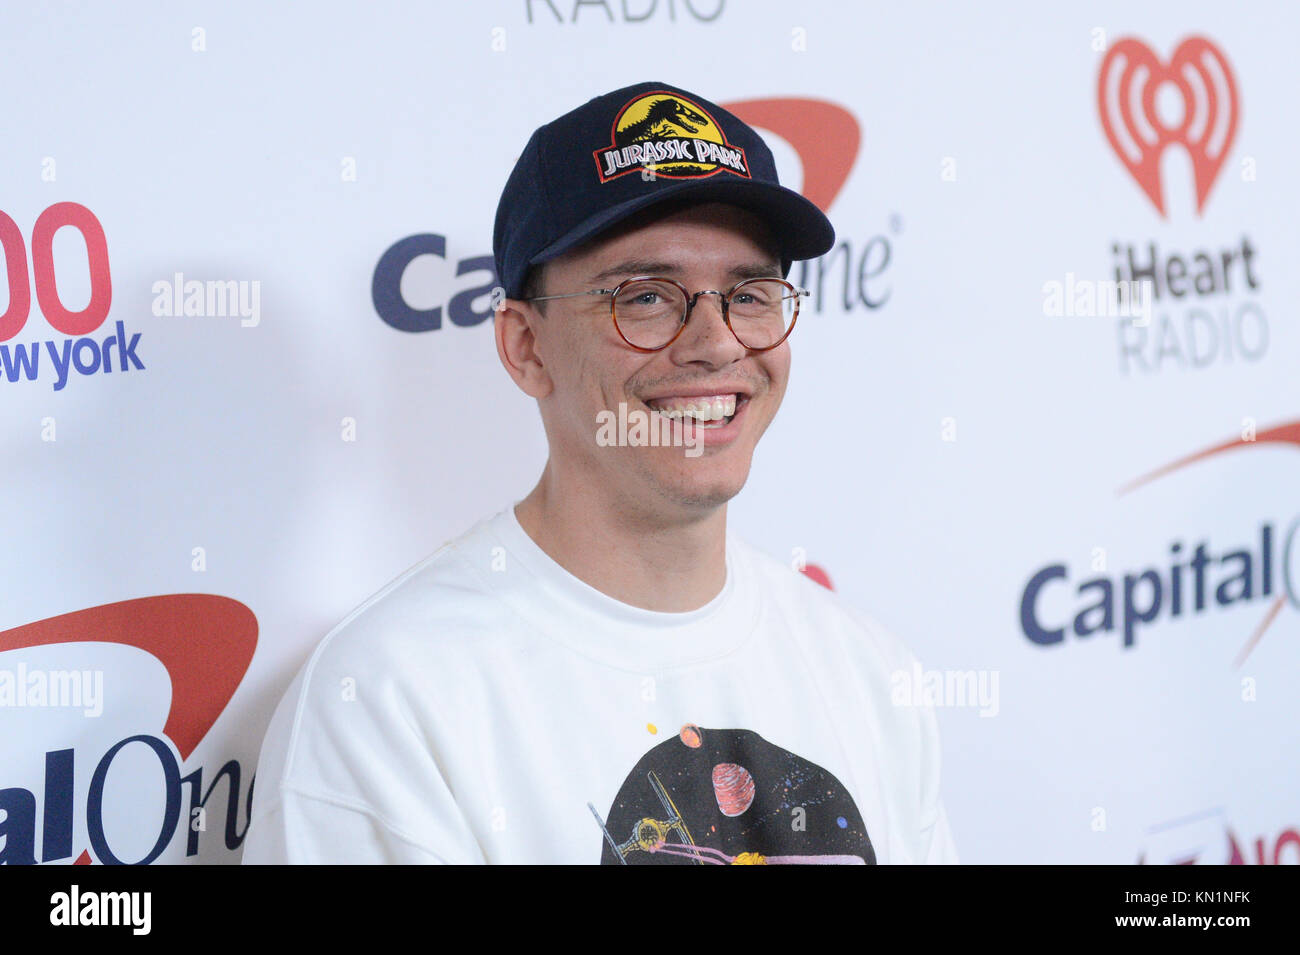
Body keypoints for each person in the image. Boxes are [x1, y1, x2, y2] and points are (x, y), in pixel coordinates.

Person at [241, 81, 959, 865]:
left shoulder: (869, 671)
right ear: (526, 347)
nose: (717, 343)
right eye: (646, 296)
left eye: (750, 293)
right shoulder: (389, 700)